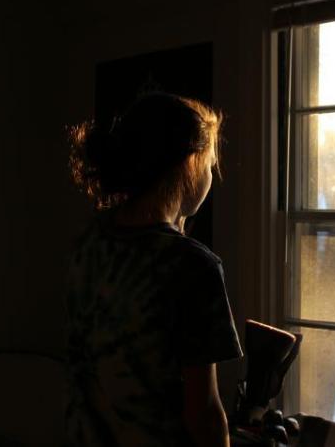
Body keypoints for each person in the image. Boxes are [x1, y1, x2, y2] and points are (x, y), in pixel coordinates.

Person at [65, 92, 243, 447]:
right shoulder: (193, 266)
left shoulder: (88, 241)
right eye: (210, 165)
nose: (211, 175)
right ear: (189, 164)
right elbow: (203, 412)